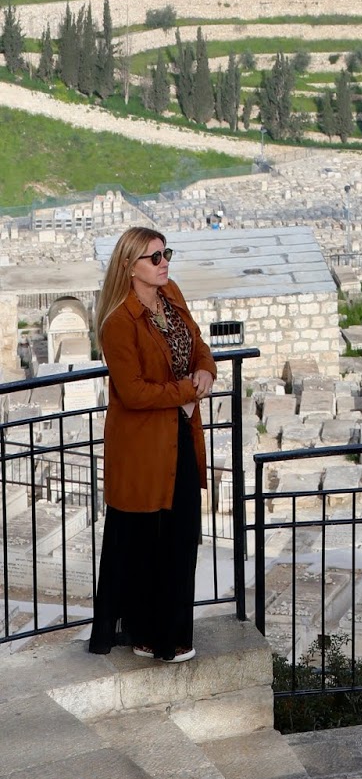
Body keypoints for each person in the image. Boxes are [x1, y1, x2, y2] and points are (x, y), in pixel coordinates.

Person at [89, 226, 216, 662]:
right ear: (129, 267)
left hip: (180, 435)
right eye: (154, 257)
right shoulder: (118, 323)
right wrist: (187, 391)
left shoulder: (171, 294)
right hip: (143, 446)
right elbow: (134, 392)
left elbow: (198, 344)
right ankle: (149, 635)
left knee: (181, 534)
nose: (165, 263)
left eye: (166, 254)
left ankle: (175, 634)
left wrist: (206, 372)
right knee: (148, 539)